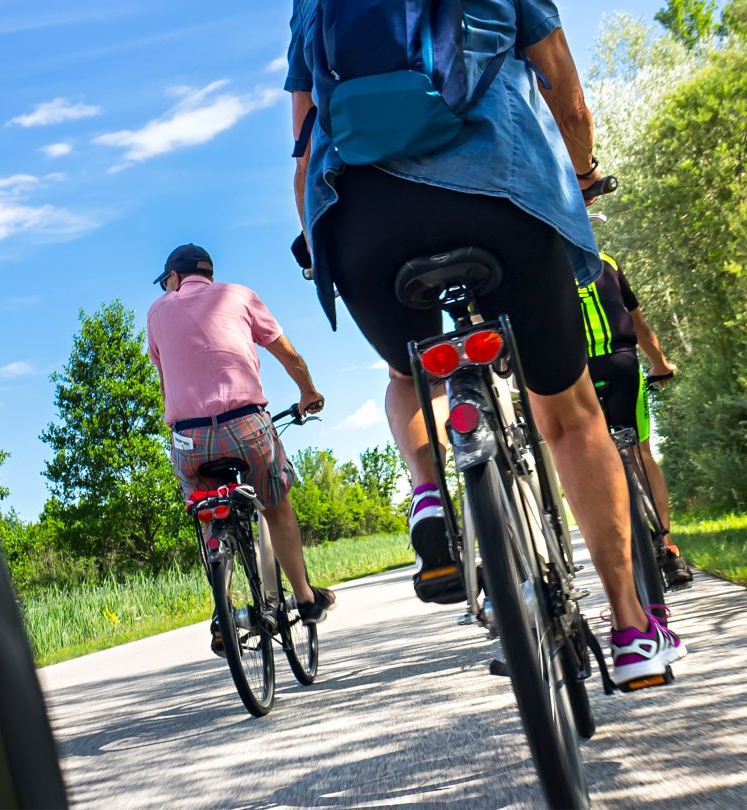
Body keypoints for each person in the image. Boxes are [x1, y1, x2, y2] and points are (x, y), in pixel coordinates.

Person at [285, 0, 684, 685]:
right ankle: (630, 629)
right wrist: (582, 176)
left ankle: (430, 491)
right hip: (502, 194)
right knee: (567, 411)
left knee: (411, 375)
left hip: (363, 221)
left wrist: (327, 249)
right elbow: (569, 97)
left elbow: (304, 143)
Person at [146, 243, 338, 653]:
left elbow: (166, 376)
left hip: (189, 439)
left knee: (207, 510)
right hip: (246, 425)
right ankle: (305, 599)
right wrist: (308, 391)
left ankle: (222, 611)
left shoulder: (157, 311)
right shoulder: (239, 295)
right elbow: (288, 354)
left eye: (167, 282)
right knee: (276, 505)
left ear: (175, 278)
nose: (167, 289)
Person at [578, 239, 695, 589]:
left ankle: (617, 556)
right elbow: (640, 326)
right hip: (622, 364)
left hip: (575, 375)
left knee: (589, 461)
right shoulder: (605, 262)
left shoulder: (545, 266)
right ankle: (668, 546)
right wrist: (660, 364)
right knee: (640, 453)